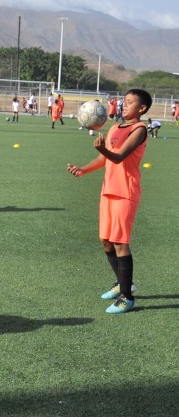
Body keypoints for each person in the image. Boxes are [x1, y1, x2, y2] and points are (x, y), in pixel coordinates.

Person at [66, 88, 152, 314]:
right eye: (124, 101)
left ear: (141, 109)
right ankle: (122, 283)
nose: (124, 105)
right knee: (105, 240)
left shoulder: (139, 129)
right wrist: (83, 169)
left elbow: (119, 156)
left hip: (126, 191)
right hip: (108, 190)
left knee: (120, 242)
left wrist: (104, 149)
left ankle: (127, 297)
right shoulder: (115, 127)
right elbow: (105, 159)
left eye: (130, 102)